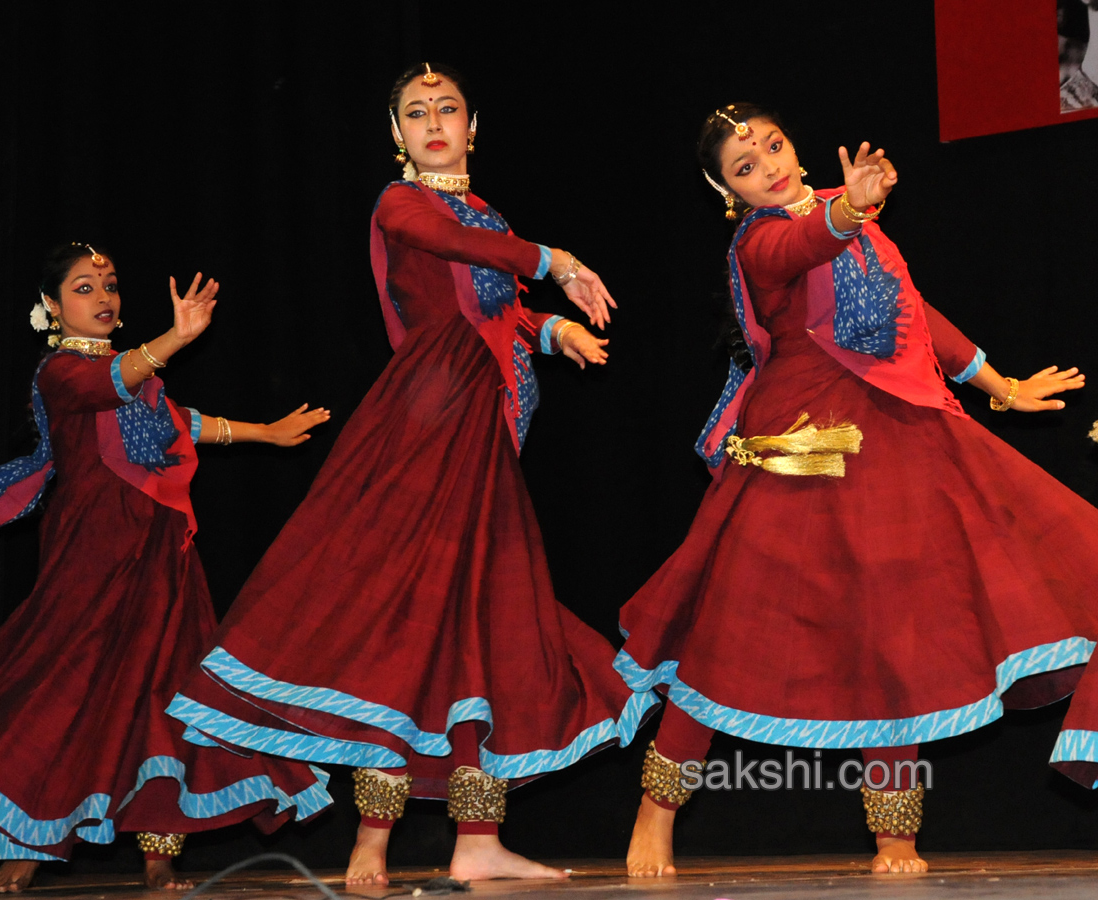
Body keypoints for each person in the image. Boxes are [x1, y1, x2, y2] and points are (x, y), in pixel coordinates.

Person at [167, 63, 657, 885]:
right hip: (426, 425)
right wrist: (555, 258)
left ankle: (477, 839)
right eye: (416, 113)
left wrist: (549, 335)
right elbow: (455, 256)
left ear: (474, 124)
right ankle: (370, 841)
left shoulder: (484, 214)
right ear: (397, 136)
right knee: (409, 618)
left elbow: (491, 304)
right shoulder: (402, 205)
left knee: (482, 624)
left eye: (449, 109)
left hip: (484, 431)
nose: (434, 122)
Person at [617, 102, 1098, 877]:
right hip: (804, 445)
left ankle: (896, 836)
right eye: (746, 166)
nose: (769, 165)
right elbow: (805, 241)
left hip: (897, 435)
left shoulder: (853, 227)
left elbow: (916, 312)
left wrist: (999, 384)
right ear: (725, 189)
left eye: (773, 146)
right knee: (729, 630)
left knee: (894, 629)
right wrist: (849, 205)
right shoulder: (760, 241)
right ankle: (655, 813)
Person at [0, 243, 332, 891]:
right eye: (82, 287)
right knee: (66, 688)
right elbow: (113, 383)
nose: (103, 297)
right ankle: (34, 837)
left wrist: (262, 433)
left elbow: (174, 422)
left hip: (163, 554)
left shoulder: (139, 378)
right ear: (50, 305)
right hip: (95, 554)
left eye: (109, 284)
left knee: (169, 691)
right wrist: (175, 339)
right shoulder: (61, 373)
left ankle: (160, 856)